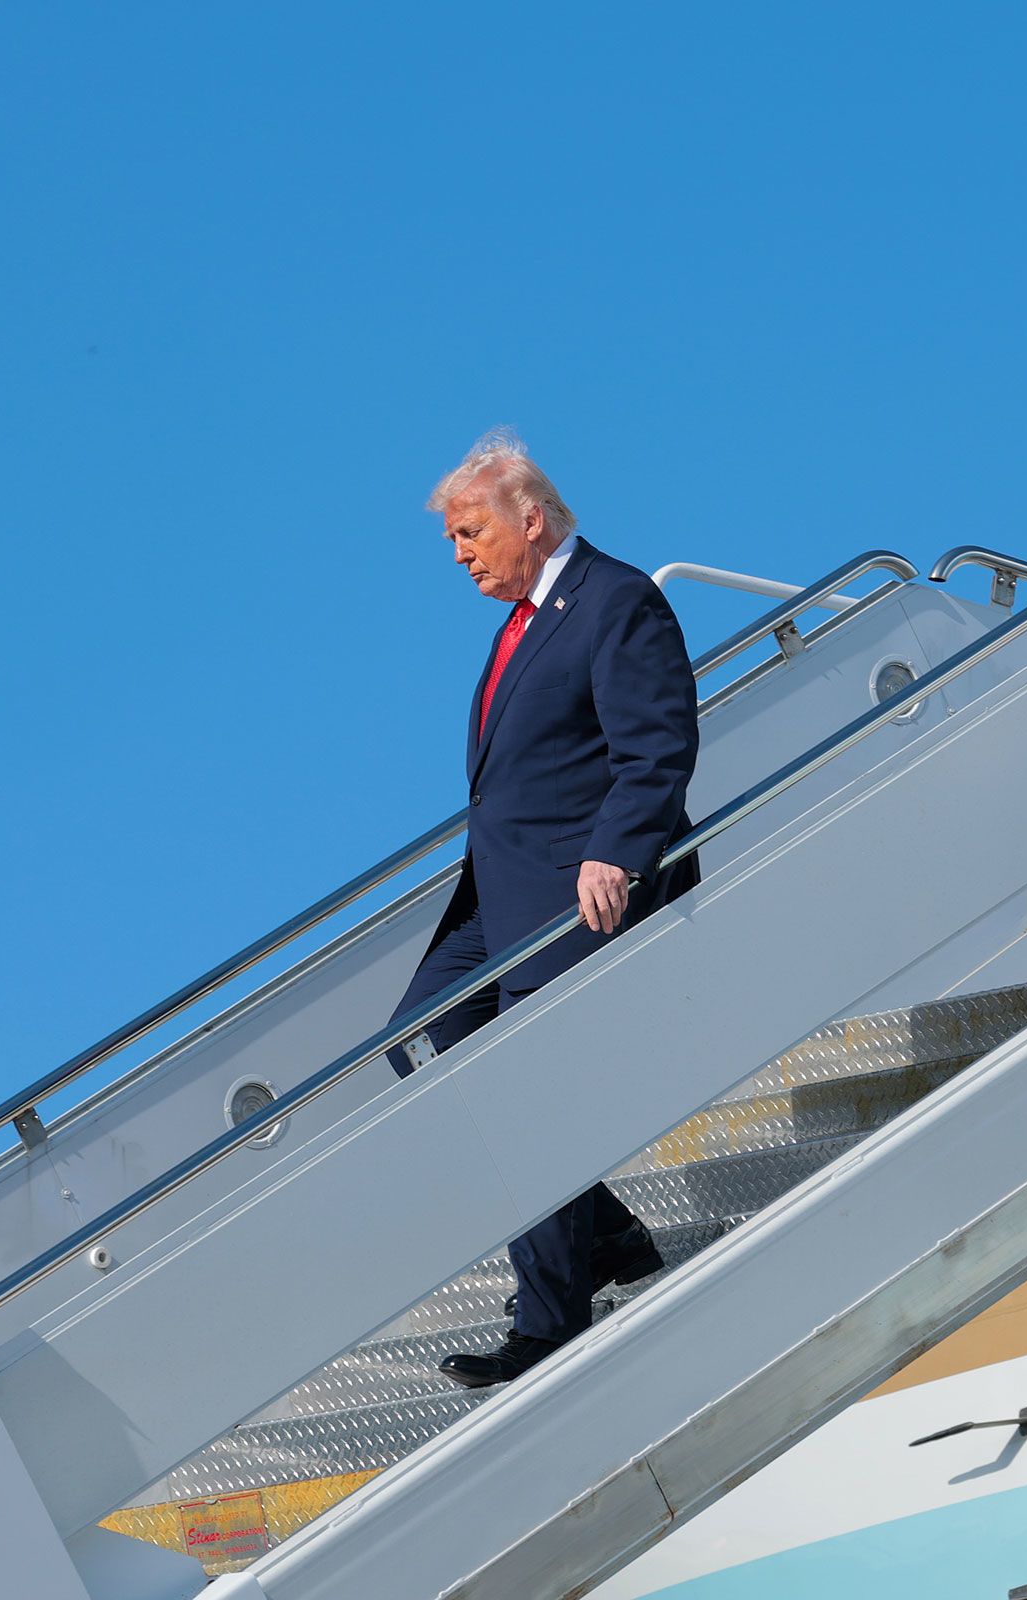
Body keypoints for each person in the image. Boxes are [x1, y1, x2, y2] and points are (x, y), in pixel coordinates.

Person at [387, 427, 701, 1388]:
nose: (460, 554)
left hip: (577, 892)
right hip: (497, 897)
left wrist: (618, 850)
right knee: (415, 1038)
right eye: (451, 541)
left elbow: (657, 742)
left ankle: (551, 1316)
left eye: (470, 531)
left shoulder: (614, 600)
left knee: (529, 1092)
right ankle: (602, 1229)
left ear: (531, 518)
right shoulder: (519, 623)